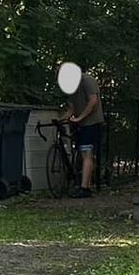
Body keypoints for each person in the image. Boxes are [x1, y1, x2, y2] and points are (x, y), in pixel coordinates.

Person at [57, 62, 103, 197]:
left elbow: (93, 101)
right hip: (81, 123)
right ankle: (85, 185)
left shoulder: (87, 80)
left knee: (86, 153)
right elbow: (71, 108)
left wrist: (80, 118)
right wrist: (62, 119)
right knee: (84, 154)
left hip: (91, 122)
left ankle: (85, 188)